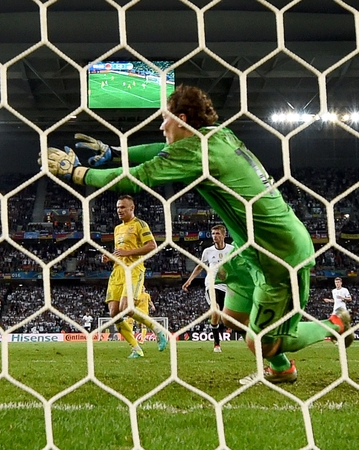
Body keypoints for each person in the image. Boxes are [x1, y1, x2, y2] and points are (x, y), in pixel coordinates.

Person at [43, 85, 353, 383]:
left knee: (261, 342)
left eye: (165, 119)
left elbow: (138, 178)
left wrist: (78, 173)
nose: (161, 127)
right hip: (250, 249)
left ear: (182, 120)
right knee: (232, 317)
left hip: (279, 253)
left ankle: (334, 325)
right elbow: (161, 150)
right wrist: (115, 151)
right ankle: (281, 369)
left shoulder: (198, 151)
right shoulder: (219, 136)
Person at [101, 195, 168, 358]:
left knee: (126, 308)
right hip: (118, 271)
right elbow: (120, 252)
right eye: (118, 207)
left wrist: (128, 253)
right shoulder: (117, 228)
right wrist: (110, 257)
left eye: (123, 207)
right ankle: (136, 349)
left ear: (132, 208)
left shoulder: (140, 224)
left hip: (133, 270)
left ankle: (157, 329)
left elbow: (152, 246)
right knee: (114, 312)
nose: (119, 210)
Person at [183, 224, 235, 353]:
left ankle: (222, 328)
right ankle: (216, 344)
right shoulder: (208, 251)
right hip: (212, 284)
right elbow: (200, 266)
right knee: (215, 309)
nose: (215, 236)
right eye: (213, 234)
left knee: (227, 315)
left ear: (224, 235)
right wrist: (189, 280)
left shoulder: (232, 250)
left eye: (217, 233)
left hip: (228, 286)